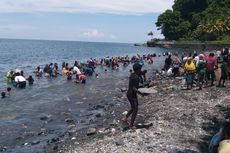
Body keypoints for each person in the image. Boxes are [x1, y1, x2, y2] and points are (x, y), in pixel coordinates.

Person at [123, 63, 144, 127]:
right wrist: (141, 93)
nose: (141, 70)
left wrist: (141, 75)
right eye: (140, 69)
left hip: (130, 93)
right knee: (135, 108)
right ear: (138, 70)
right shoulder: (136, 77)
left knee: (133, 107)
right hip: (132, 94)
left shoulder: (132, 75)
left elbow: (135, 86)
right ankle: (131, 124)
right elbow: (134, 88)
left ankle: (125, 118)